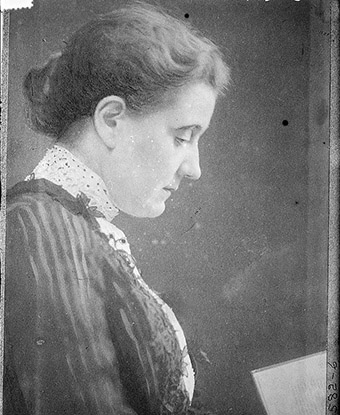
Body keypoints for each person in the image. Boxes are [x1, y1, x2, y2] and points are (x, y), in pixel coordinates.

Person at [4, 2, 230, 414]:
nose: (195, 169)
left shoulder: (74, 225)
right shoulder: (38, 226)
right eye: (183, 136)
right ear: (111, 119)